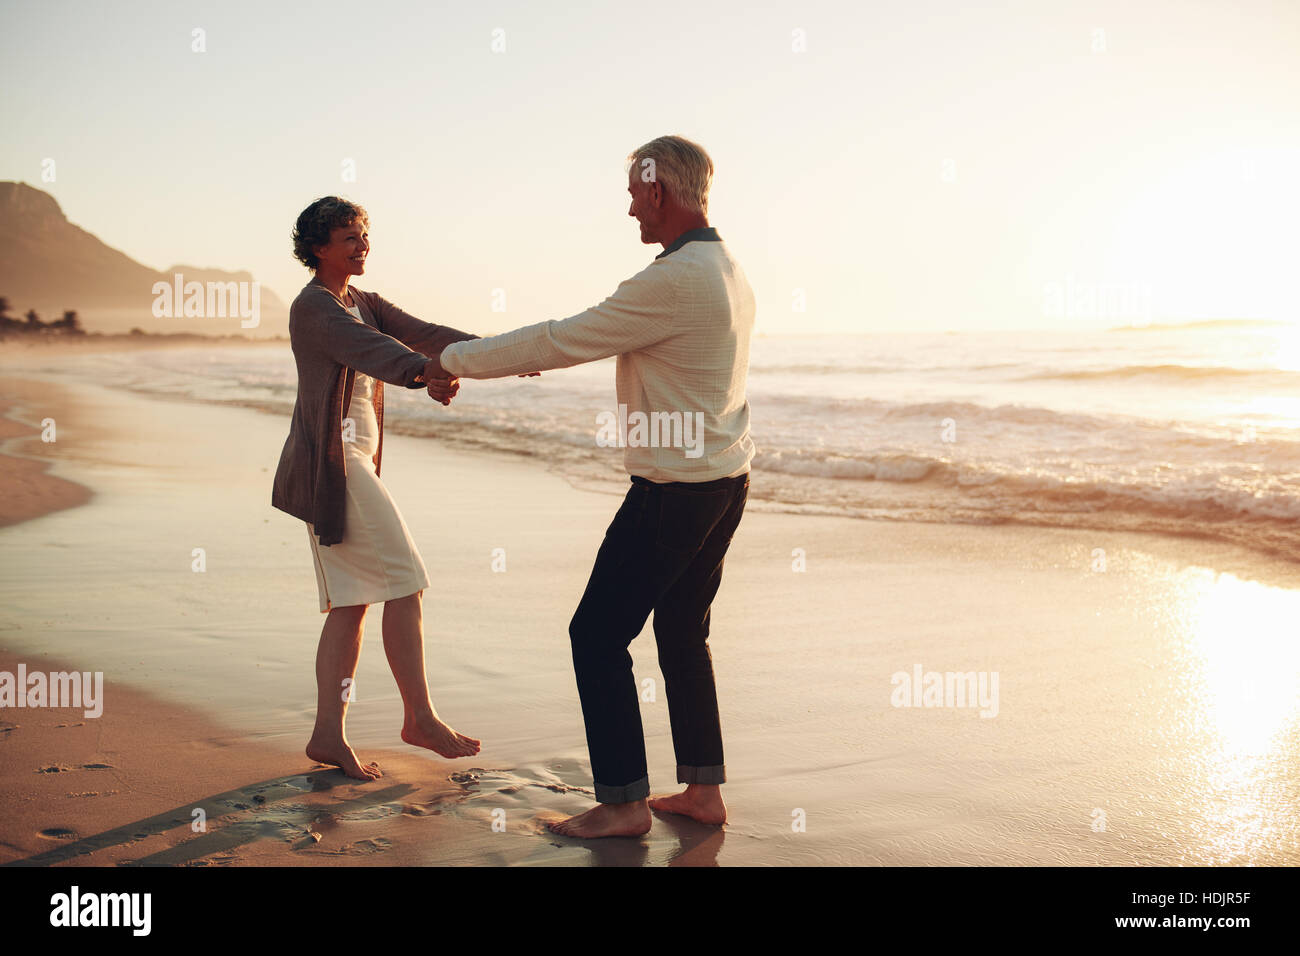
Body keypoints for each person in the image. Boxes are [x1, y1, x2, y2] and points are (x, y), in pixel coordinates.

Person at [423, 136, 755, 837]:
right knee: (681, 634)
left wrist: (449, 358)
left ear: (658, 190)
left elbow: (560, 338)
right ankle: (702, 793)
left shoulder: (671, 280)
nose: (629, 204)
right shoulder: (728, 268)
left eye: (634, 191)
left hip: (673, 492)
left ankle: (624, 804)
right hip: (725, 482)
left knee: (597, 636)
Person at [271, 196, 482, 780]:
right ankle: (420, 717)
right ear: (318, 247)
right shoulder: (314, 307)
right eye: (348, 238)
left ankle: (326, 735)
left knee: (350, 603)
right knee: (406, 580)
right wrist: (426, 373)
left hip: (356, 458)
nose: (362, 246)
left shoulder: (361, 301)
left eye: (364, 236)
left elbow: (425, 333)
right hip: (333, 468)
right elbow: (380, 352)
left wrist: (495, 354)